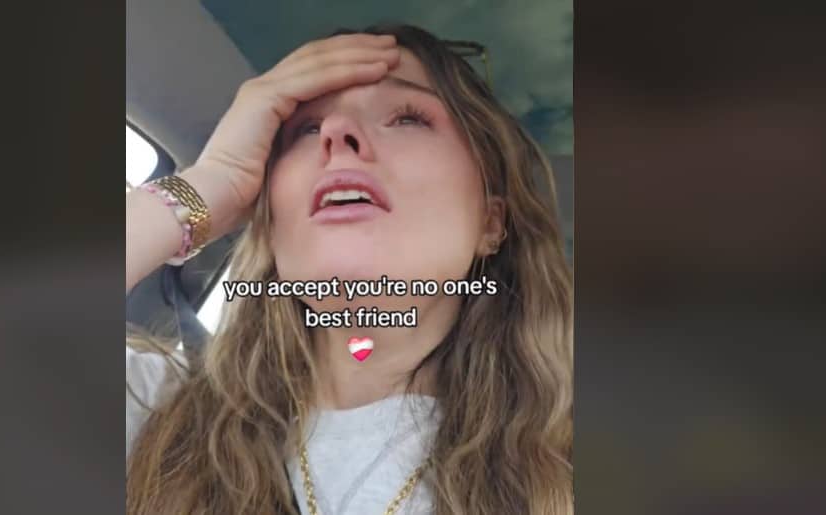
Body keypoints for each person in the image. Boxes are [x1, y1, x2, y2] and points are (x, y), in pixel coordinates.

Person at [125, 24, 573, 515]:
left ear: (490, 221)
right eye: (306, 129)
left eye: (407, 117)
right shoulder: (154, 413)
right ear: (271, 228)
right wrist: (214, 178)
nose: (336, 133)